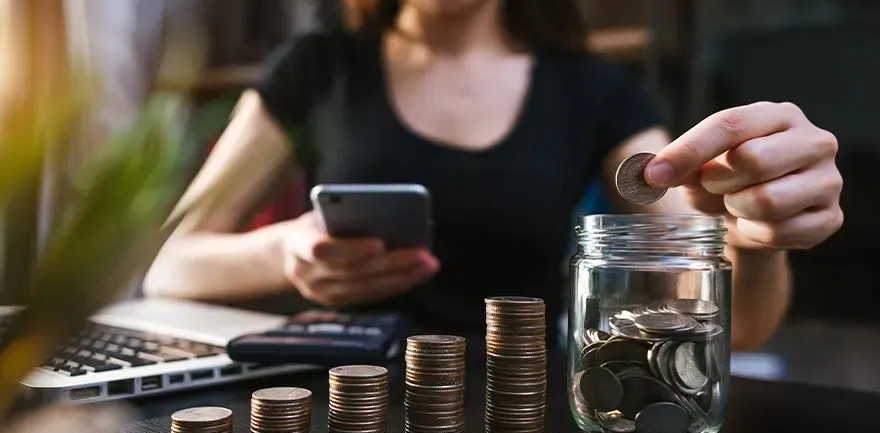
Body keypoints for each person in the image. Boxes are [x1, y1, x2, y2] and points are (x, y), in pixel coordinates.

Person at [143, 0, 843, 351]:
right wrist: (286, 250)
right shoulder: (315, 67)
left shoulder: (596, 91)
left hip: (526, 417)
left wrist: (753, 236)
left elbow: (732, 323)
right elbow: (167, 266)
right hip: (337, 411)